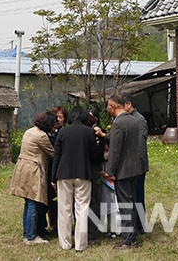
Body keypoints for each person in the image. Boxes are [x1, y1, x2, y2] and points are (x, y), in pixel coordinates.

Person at [51, 106, 101, 252]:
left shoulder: (62, 132)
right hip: (84, 174)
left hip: (63, 174)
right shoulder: (89, 132)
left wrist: (53, 177)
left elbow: (57, 156)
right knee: (82, 209)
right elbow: (95, 156)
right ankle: (81, 244)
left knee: (64, 209)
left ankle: (65, 243)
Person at [101, 94, 146, 249]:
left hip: (124, 170)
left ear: (113, 107)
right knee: (131, 203)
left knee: (125, 205)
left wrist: (110, 171)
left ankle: (129, 239)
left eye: (108, 108)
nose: (108, 111)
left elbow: (115, 150)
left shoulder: (118, 124)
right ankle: (132, 236)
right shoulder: (133, 120)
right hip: (135, 168)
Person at [9, 112, 57, 245]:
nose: (54, 127)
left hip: (23, 169)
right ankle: (31, 237)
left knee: (28, 203)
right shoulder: (41, 136)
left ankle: (27, 233)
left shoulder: (29, 131)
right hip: (33, 171)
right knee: (34, 204)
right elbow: (53, 153)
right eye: (53, 125)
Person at [122, 93, 149, 235]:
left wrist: (137, 165)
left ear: (129, 104)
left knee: (138, 196)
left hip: (138, 166)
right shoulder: (129, 119)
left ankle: (140, 225)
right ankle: (135, 223)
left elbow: (140, 146)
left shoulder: (139, 120)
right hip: (131, 165)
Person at [44, 106, 66, 236]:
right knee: (51, 199)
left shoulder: (65, 132)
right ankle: (53, 225)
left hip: (63, 169)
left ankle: (64, 225)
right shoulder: (47, 133)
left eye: (61, 117)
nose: (57, 120)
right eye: (56, 117)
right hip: (49, 169)